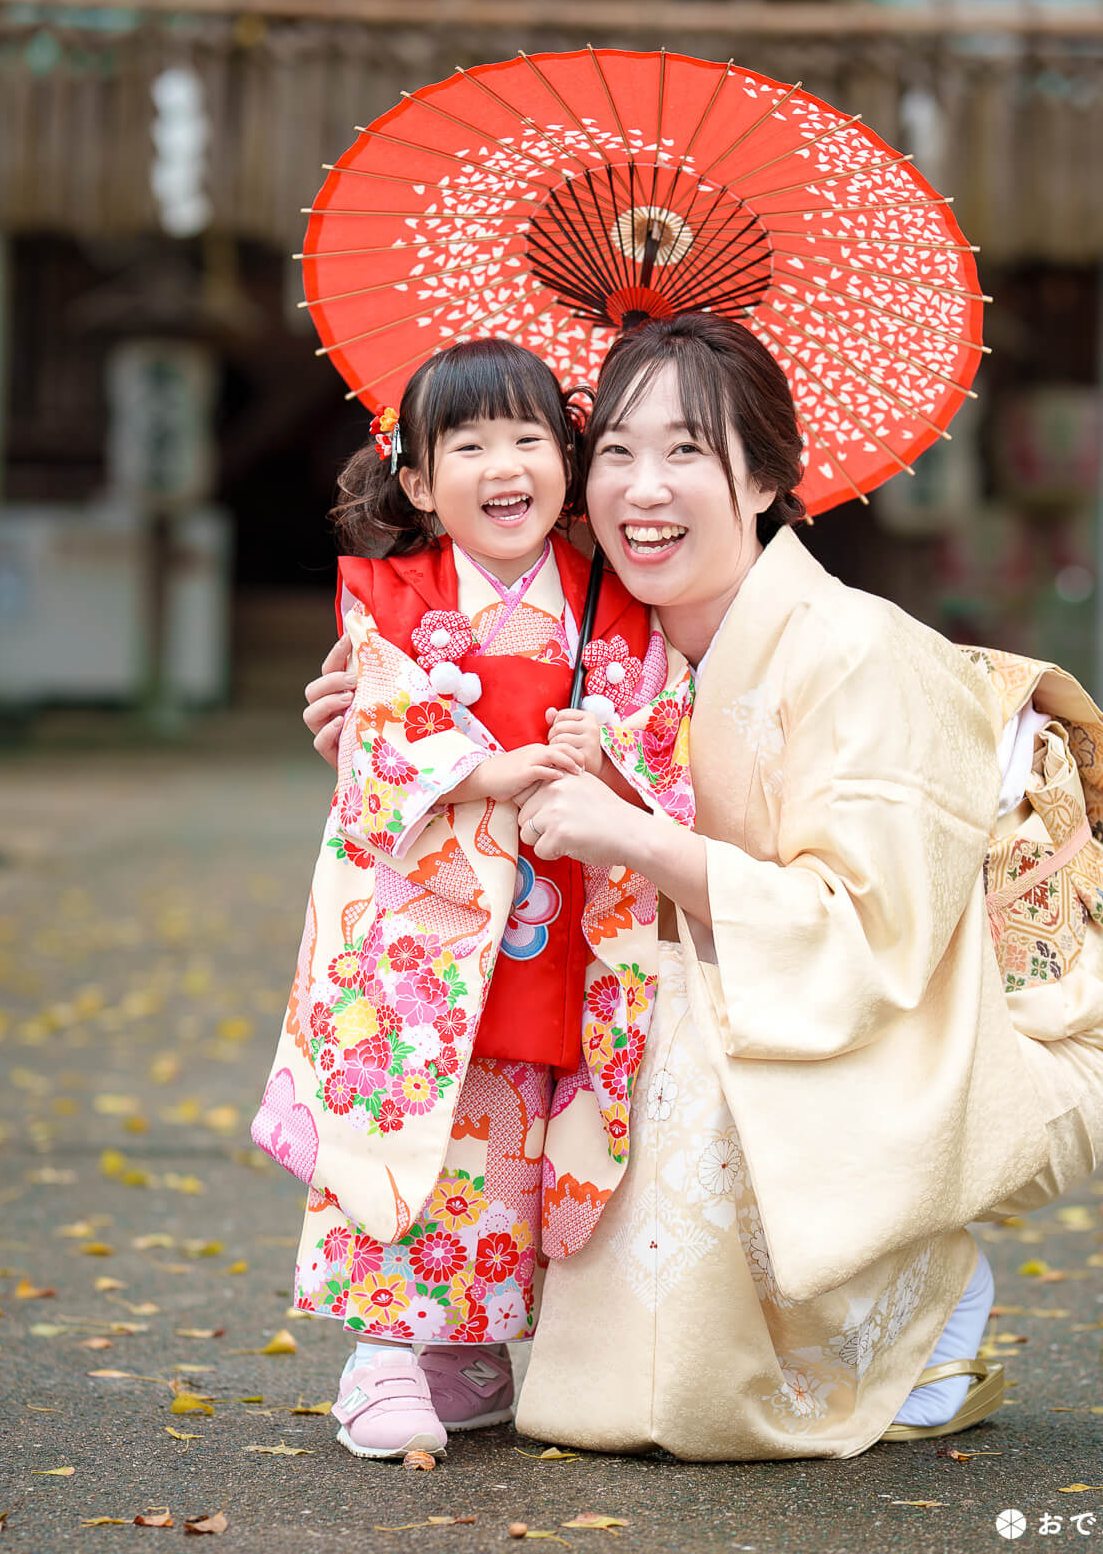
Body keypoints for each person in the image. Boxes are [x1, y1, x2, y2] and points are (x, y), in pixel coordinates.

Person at [303, 313, 1103, 1460]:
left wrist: (631, 841)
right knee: (528, 1009)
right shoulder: (617, 634)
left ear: (762, 478)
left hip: (950, 1032)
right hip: (754, 989)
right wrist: (398, 755)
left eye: (686, 451)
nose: (643, 489)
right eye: (615, 452)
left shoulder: (856, 649)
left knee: (645, 1035)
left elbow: (871, 936)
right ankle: (456, 1328)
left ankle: (905, 1292)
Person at [253, 338, 693, 1462]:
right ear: (415, 479)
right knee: (407, 1118)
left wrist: (617, 750)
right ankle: (380, 1356)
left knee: (513, 1127)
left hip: (556, 924)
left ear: (568, 457)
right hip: (426, 931)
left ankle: (469, 1349)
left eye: (529, 437)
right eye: (469, 443)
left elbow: (668, 735)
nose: (505, 464)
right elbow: (378, 719)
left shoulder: (616, 599)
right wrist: (479, 767)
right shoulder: (392, 594)